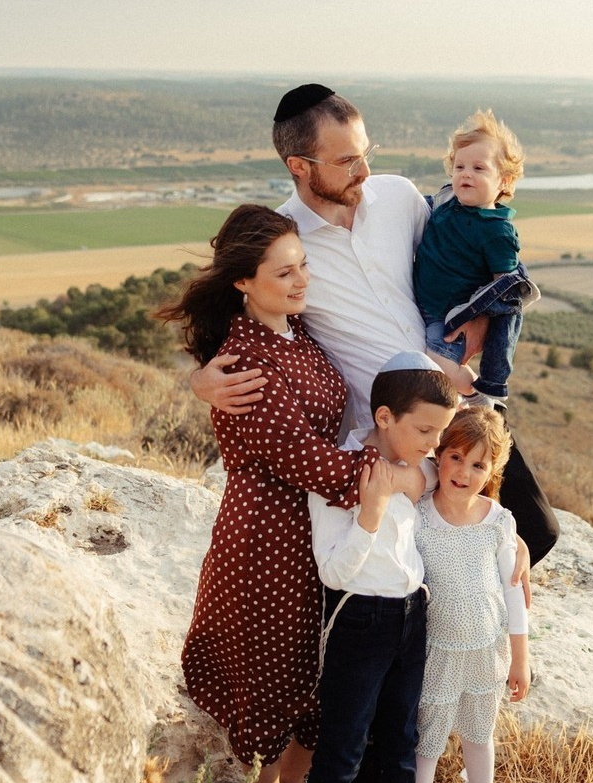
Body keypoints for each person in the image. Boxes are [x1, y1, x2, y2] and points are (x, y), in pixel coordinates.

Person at [191, 84, 560, 568]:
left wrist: (483, 325)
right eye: (346, 161)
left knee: (535, 532)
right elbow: (231, 312)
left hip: (460, 408)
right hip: (387, 439)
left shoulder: (398, 196)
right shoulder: (282, 241)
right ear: (298, 166)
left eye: (366, 153)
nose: (364, 170)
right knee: (424, 570)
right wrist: (200, 381)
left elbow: (472, 256)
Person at [155, 205, 426, 783]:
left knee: (313, 664)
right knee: (272, 667)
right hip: (268, 535)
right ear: (244, 283)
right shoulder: (246, 364)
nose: (303, 279)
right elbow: (309, 461)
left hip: (315, 529)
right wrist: (406, 475)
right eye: (285, 272)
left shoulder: (296, 332)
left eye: (303, 264)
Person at [297, 352, 460, 783]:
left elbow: (433, 474)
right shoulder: (339, 473)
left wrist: (416, 474)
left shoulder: (414, 465)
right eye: (427, 431)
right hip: (359, 618)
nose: (435, 445)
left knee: (400, 745)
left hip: (413, 614)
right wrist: (369, 516)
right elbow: (333, 572)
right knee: (341, 752)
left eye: (441, 432)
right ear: (384, 418)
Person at [406, 410, 530, 783]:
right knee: (429, 740)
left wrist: (520, 657)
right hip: (437, 652)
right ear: (438, 455)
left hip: (485, 649)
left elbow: (513, 590)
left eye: (478, 465)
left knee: (481, 732)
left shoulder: (498, 521)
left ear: (492, 472)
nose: (463, 471)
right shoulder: (419, 518)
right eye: (455, 457)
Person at [414, 109, 538, 408]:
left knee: (432, 362)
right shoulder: (447, 201)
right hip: (422, 304)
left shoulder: (497, 231)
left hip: (449, 318)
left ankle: (480, 399)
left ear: (504, 181)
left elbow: (506, 294)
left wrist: (494, 365)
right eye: (459, 167)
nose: (465, 174)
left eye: (479, 168)